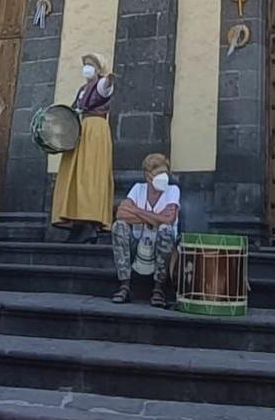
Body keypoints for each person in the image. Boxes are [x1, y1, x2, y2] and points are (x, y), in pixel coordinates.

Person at [51, 52, 115, 242]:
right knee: (74, 174)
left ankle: (90, 222)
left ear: (98, 68)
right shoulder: (82, 89)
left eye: (91, 65)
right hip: (80, 129)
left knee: (90, 173)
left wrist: (110, 79)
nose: (87, 68)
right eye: (85, 64)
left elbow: (106, 87)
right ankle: (77, 222)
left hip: (95, 129)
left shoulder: (101, 85)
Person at [110, 153, 180, 307]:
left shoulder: (172, 190)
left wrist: (136, 211)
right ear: (148, 176)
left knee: (166, 230)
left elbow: (169, 219)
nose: (164, 178)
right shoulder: (138, 189)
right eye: (159, 174)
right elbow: (121, 214)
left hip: (160, 247)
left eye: (165, 173)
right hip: (138, 243)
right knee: (119, 226)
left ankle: (158, 289)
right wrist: (155, 218)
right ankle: (125, 286)